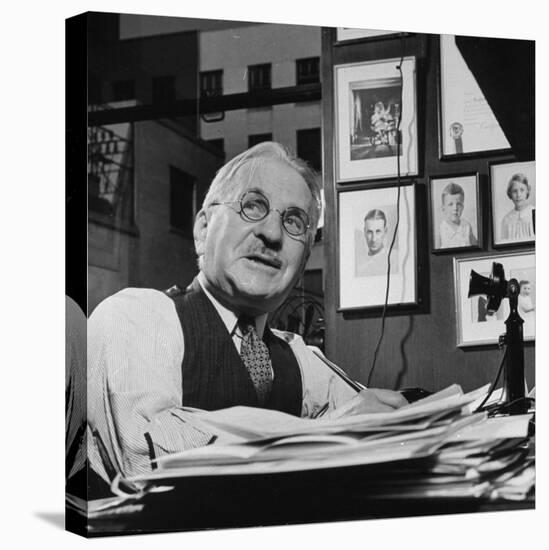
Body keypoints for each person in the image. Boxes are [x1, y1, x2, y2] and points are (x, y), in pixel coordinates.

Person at [88, 142, 407, 485]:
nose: (271, 234)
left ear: (301, 266)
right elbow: (150, 460)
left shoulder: (300, 359)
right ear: (203, 230)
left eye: (294, 222)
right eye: (253, 206)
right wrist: (327, 433)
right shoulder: (135, 318)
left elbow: (375, 418)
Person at [355, 209, 397, 278]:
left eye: (378, 231)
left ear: (385, 231)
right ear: (364, 232)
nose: (373, 239)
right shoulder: (358, 264)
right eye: (369, 232)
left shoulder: (395, 258)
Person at [500, 173, 534, 242]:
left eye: (522, 190)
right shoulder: (506, 220)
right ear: (510, 194)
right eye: (514, 191)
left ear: (527, 191)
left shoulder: (535, 213)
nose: (518, 195)